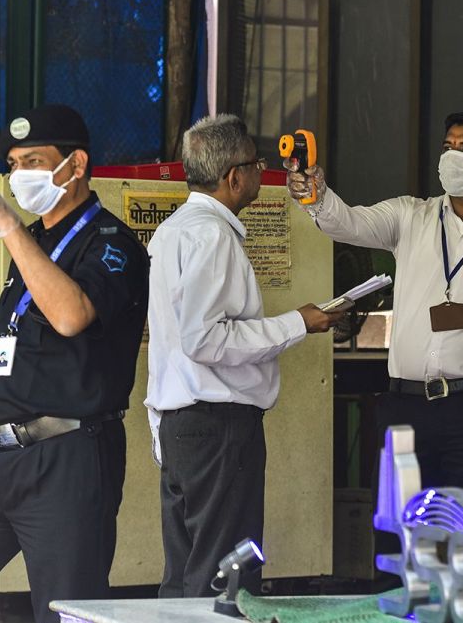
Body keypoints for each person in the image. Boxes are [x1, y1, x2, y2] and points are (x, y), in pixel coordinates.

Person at [288, 111, 463, 528]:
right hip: (406, 408)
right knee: (402, 540)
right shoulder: (409, 217)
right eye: (448, 147)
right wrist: (316, 196)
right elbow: (346, 223)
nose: (452, 158)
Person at [145, 114, 342, 598]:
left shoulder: (174, 229)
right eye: (257, 164)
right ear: (235, 176)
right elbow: (205, 340)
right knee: (224, 573)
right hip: (217, 426)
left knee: (187, 572)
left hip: (181, 423)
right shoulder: (211, 235)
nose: (262, 172)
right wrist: (300, 322)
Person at [0, 104, 150, 623]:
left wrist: (7, 224)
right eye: (13, 164)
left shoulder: (113, 244)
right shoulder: (34, 243)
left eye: (33, 160)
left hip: (67, 458)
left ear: (76, 165)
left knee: (66, 611)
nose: (19, 175)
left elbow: (71, 316)